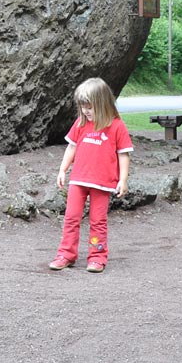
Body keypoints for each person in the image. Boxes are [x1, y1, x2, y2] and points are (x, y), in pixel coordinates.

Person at [48, 77, 132, 274]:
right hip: (78, 180)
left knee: (97, 221)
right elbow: (71, 147)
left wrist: (123, 180)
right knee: (71, 218)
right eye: (83, 107)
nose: (85, 111)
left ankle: (97, 256)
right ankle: (66, 254)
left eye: (90, 107)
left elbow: (124, 154)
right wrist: (62, 170)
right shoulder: (80, 124)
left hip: (102, 183)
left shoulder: (117, 126)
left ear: (103, 104)